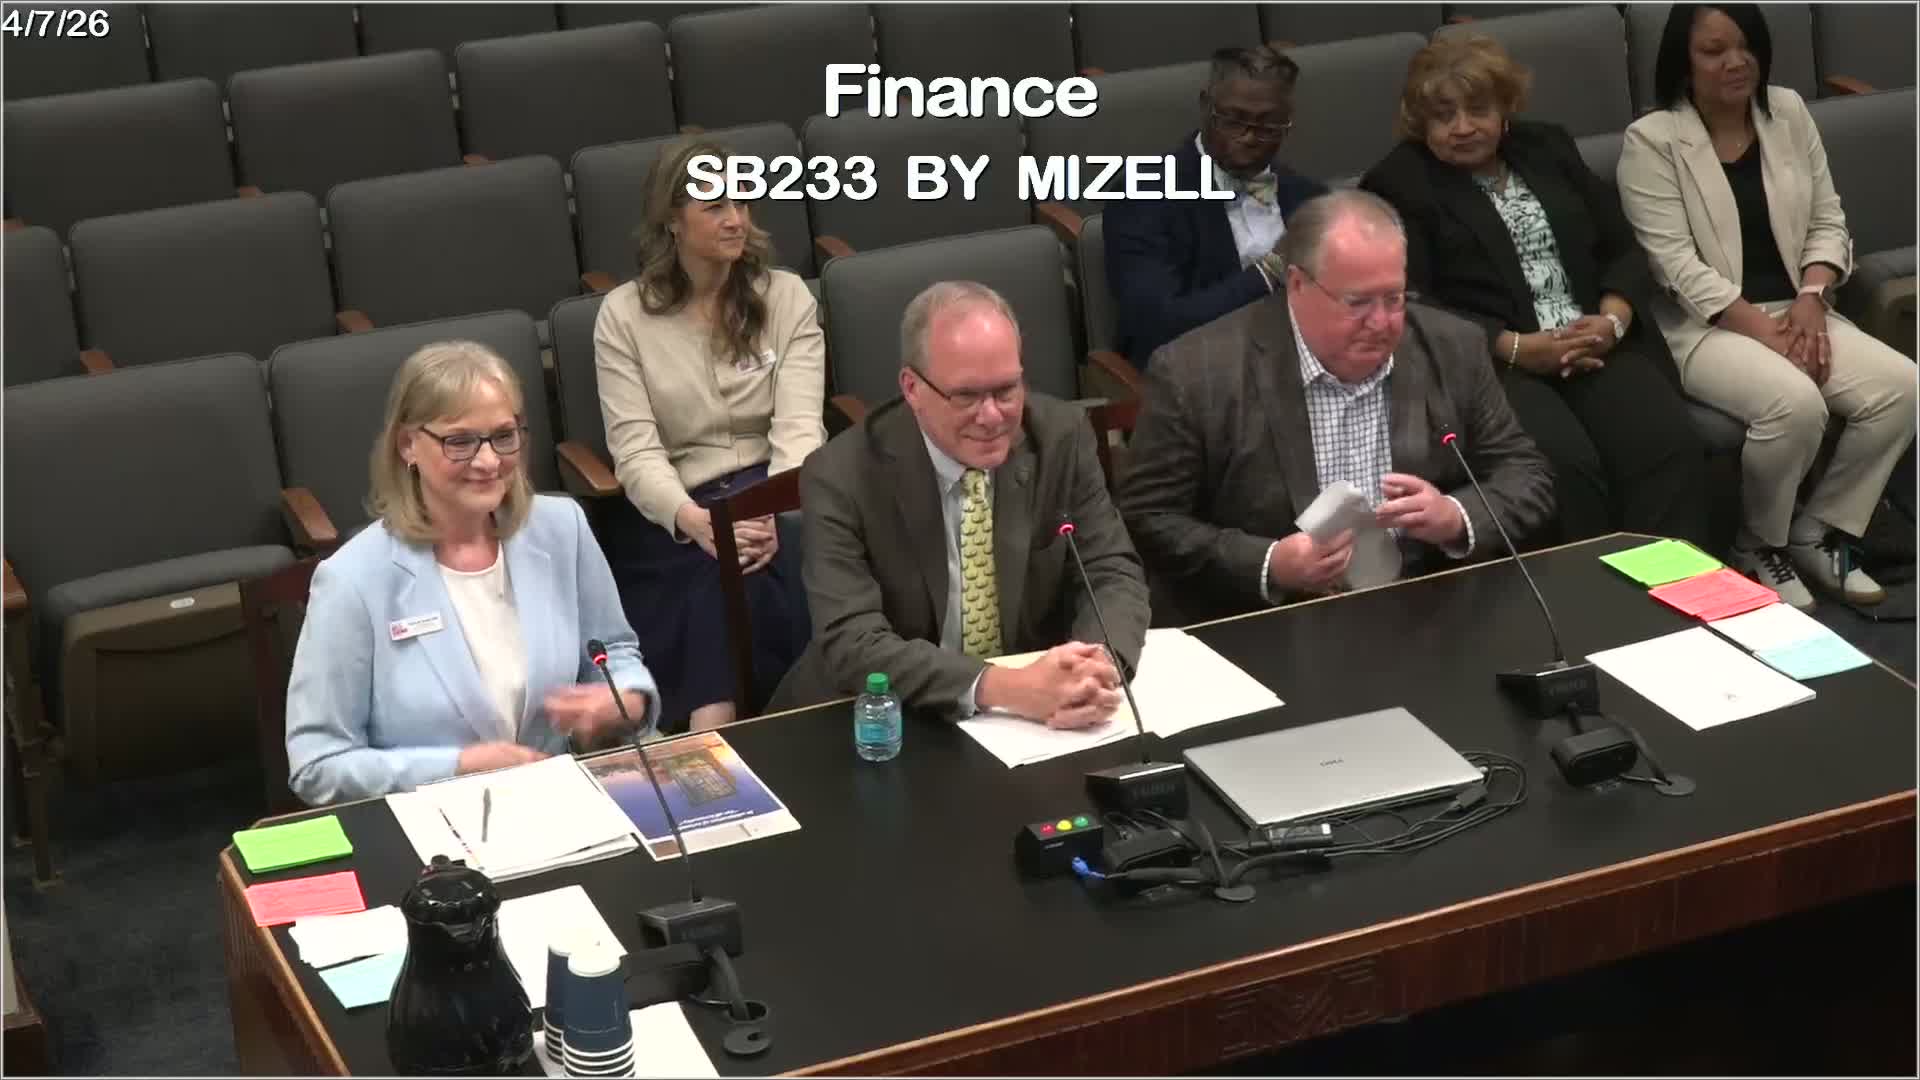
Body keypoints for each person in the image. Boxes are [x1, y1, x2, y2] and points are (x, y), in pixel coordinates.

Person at [1116, 190, 1555, 627]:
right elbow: (1149, 518)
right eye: (1358, 303)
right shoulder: (1197, 372)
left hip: (1426, 611)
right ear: (1297, 285)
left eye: (1394, 298)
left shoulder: (1452, 347)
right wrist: (1269, 563)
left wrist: (1455, 517)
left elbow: (1526, 473)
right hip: (1271, 622)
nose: (1381, 323)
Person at [1616, 3, 1916, 609]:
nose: (1736, 61)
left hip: (1800, 307)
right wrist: (1763, 329)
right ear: (1683, 63)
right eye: (1714, 50)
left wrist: (1811, 297)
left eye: (1746, 45)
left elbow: (1828, 218)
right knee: (1795, 404)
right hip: (1706, 325)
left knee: (1902, 387)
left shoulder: (1788, 112)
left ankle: (1819, 531)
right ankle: (1757, 544)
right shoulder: (1652, 140)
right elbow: (1674, 265)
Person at [1360, 36, 1711, 549]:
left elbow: (1623, 246)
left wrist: (1613, 320)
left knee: (1664, 441)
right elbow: (1412, 301)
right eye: (1443, 115)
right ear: (1420, 122)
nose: (1462, 127)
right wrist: (1514, 346)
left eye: (1477, 109)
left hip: (1593, 341)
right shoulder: (1398, 183)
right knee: (1561, 465)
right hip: (1490, 363)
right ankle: (1587, 592)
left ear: (1505, 108)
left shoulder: (1548, 146)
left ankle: (1671, 584)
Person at [285, 342, 660, 806]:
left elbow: (613, 652)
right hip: (433, 822)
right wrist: (457, 767)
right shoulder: (352, 580)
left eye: (503, 436)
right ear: (407, 445)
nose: (488, 461)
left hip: (563, 801)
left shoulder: (562, 529)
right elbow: (318, 763)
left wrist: (627, 698)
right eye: (460, 442)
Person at [767, 282, 1150, 726]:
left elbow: (1111, 570)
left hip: (1029, 724)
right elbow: (853, 642)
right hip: (881, 718)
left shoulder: (1061, 438)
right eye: (966, 396)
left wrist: (1094, 668)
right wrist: (1008, 688)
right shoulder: (841, 475)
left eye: (1006, 390)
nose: (992, 416)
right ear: (912, 387)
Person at [593, 136, 826, 730]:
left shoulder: (787, 297)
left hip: (773, 495)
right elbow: (635, 450)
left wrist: (773, 511)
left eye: (742, 202)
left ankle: (710, 733)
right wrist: (692, 520)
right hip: (675, 509)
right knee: (719, 575)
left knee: (753, 567)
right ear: (672, 220)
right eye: (716, 206)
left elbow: (799, 427)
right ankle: (739, 730)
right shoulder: (623, 316)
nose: (735, 219)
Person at [1105, 45, 1329, 367]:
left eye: (1268, 125)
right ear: (1205, 105)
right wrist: (1269, 272)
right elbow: (1157, 327)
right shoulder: (1144, 196)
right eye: (1234, 120)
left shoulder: (1310, 199)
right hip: (1201, 372)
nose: (1249, 138)